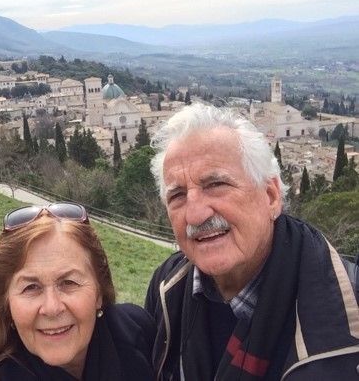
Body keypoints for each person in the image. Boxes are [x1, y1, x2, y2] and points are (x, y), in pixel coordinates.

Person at [145, 103, 359, 380]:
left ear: (271, 196)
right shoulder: (166, 286)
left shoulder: (351, 308)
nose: (195, 215)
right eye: (177, 196)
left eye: (216, 185)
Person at [0, 202, 155, 381]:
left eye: (69, 283)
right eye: (31, 287)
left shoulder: (138, 330)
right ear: (6, 303)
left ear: (99, 292)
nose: (52, 308)